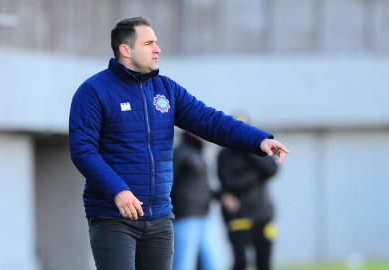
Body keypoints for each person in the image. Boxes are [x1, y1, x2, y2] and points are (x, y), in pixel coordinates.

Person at [69, 16, 289, 270]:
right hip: (113, 217)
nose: (157, 49)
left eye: (157, 43)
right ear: (126, 50)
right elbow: (83, 150)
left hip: (160, 218)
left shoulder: (166, 90)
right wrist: (118, 191)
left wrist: (258, 139)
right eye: (149, 43)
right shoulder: (94, 91)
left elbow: (210, 121)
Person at [217, 113, 279, 270]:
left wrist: (249, 149)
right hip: (239, 215)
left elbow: (272, 169)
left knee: (264, 264)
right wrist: (256, 178)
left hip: (263, 213)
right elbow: (229, 182)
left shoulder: (258, 151)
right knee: (240, 263)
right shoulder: (224, 155)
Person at [171, 131, 218, 270]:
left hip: (204, 215)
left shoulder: (198, 153)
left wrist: (222, 196)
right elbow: (168, 185)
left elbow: (201, 186)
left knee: (213, 263)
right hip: (185, 217)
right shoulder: (179, 153)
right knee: (183, 264)